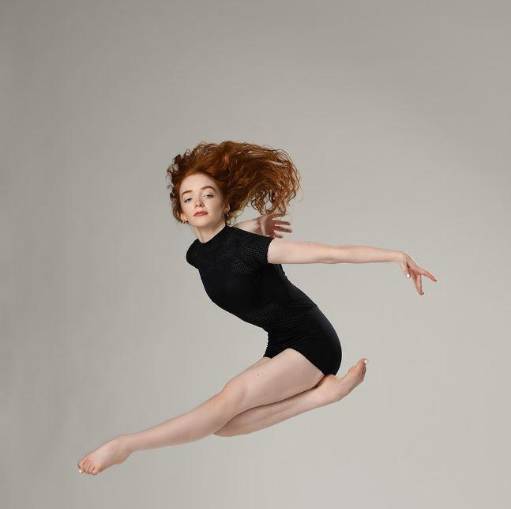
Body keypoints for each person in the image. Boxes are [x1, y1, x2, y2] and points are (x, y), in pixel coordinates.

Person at [77, 140, 437, 475]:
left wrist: (395, 256)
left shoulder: (252, 249)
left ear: (224, 203)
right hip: (281, 341)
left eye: (208, 194)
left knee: (226, 401)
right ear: (182, 214)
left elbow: (330, 254)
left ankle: (126, 445)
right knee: (224, 426)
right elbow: (220, 246)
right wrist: (254, 224)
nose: (198, 202)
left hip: (312, 341)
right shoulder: (196, 254)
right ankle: (322, 396)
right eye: (188, 198)